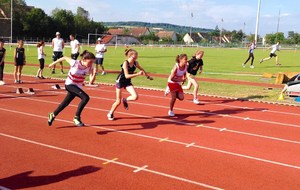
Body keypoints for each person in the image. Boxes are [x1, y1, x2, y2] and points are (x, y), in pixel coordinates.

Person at [47, 50, 96, 127]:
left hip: (77, 86)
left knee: (65, 103)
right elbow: (64, 57)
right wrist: (52, 64)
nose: (91, 64)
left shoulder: (90, 67)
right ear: (84, 59)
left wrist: (94, 74)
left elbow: (91, 81)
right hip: (69, 84)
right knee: (85, 98)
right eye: (90, 62)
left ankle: (53, 114)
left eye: (92, 62)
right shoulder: (75, 63)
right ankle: (76, 118)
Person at [107, 48, 153, 120]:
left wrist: (147, 76)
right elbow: (126, 76)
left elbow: (142, 69)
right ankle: (110, 113)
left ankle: (125, 100)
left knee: (135, 97)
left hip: (127, 82)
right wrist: (137, 74)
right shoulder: (125, 63)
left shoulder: (135, 63)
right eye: (134, 57)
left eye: (136, 57)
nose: (135, 59)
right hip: (120, 81)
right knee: (118, 101)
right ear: (130, 56)